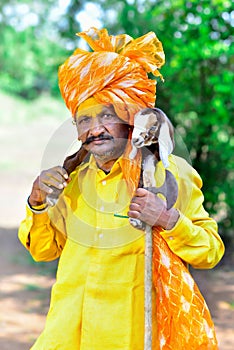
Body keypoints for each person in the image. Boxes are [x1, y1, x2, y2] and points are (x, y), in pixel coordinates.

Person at [18, 27, 224, 350]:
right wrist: (37, 201)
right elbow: (42, 249)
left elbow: (211, 250)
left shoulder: (170, 175)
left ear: (130, 116)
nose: (95, 129)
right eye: (84, 120)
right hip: (66, 338)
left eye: (106, 115)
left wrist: (167, 219)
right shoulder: (72, 181)